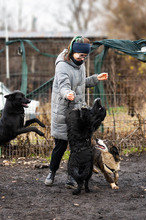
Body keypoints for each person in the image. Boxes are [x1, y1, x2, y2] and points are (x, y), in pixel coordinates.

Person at [44, 36, 108, 187]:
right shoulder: (62, 66)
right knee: (60, 146)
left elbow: (81, 84)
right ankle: (52, 172)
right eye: (80, 55)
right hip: (64, 112)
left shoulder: (81, 65)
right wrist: (67, 93)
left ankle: (71, 177)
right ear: (73, 51)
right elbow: (63, 85)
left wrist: (95, 78)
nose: (83, 58)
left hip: (79, 112)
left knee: (77, 148)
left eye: (85, 56)